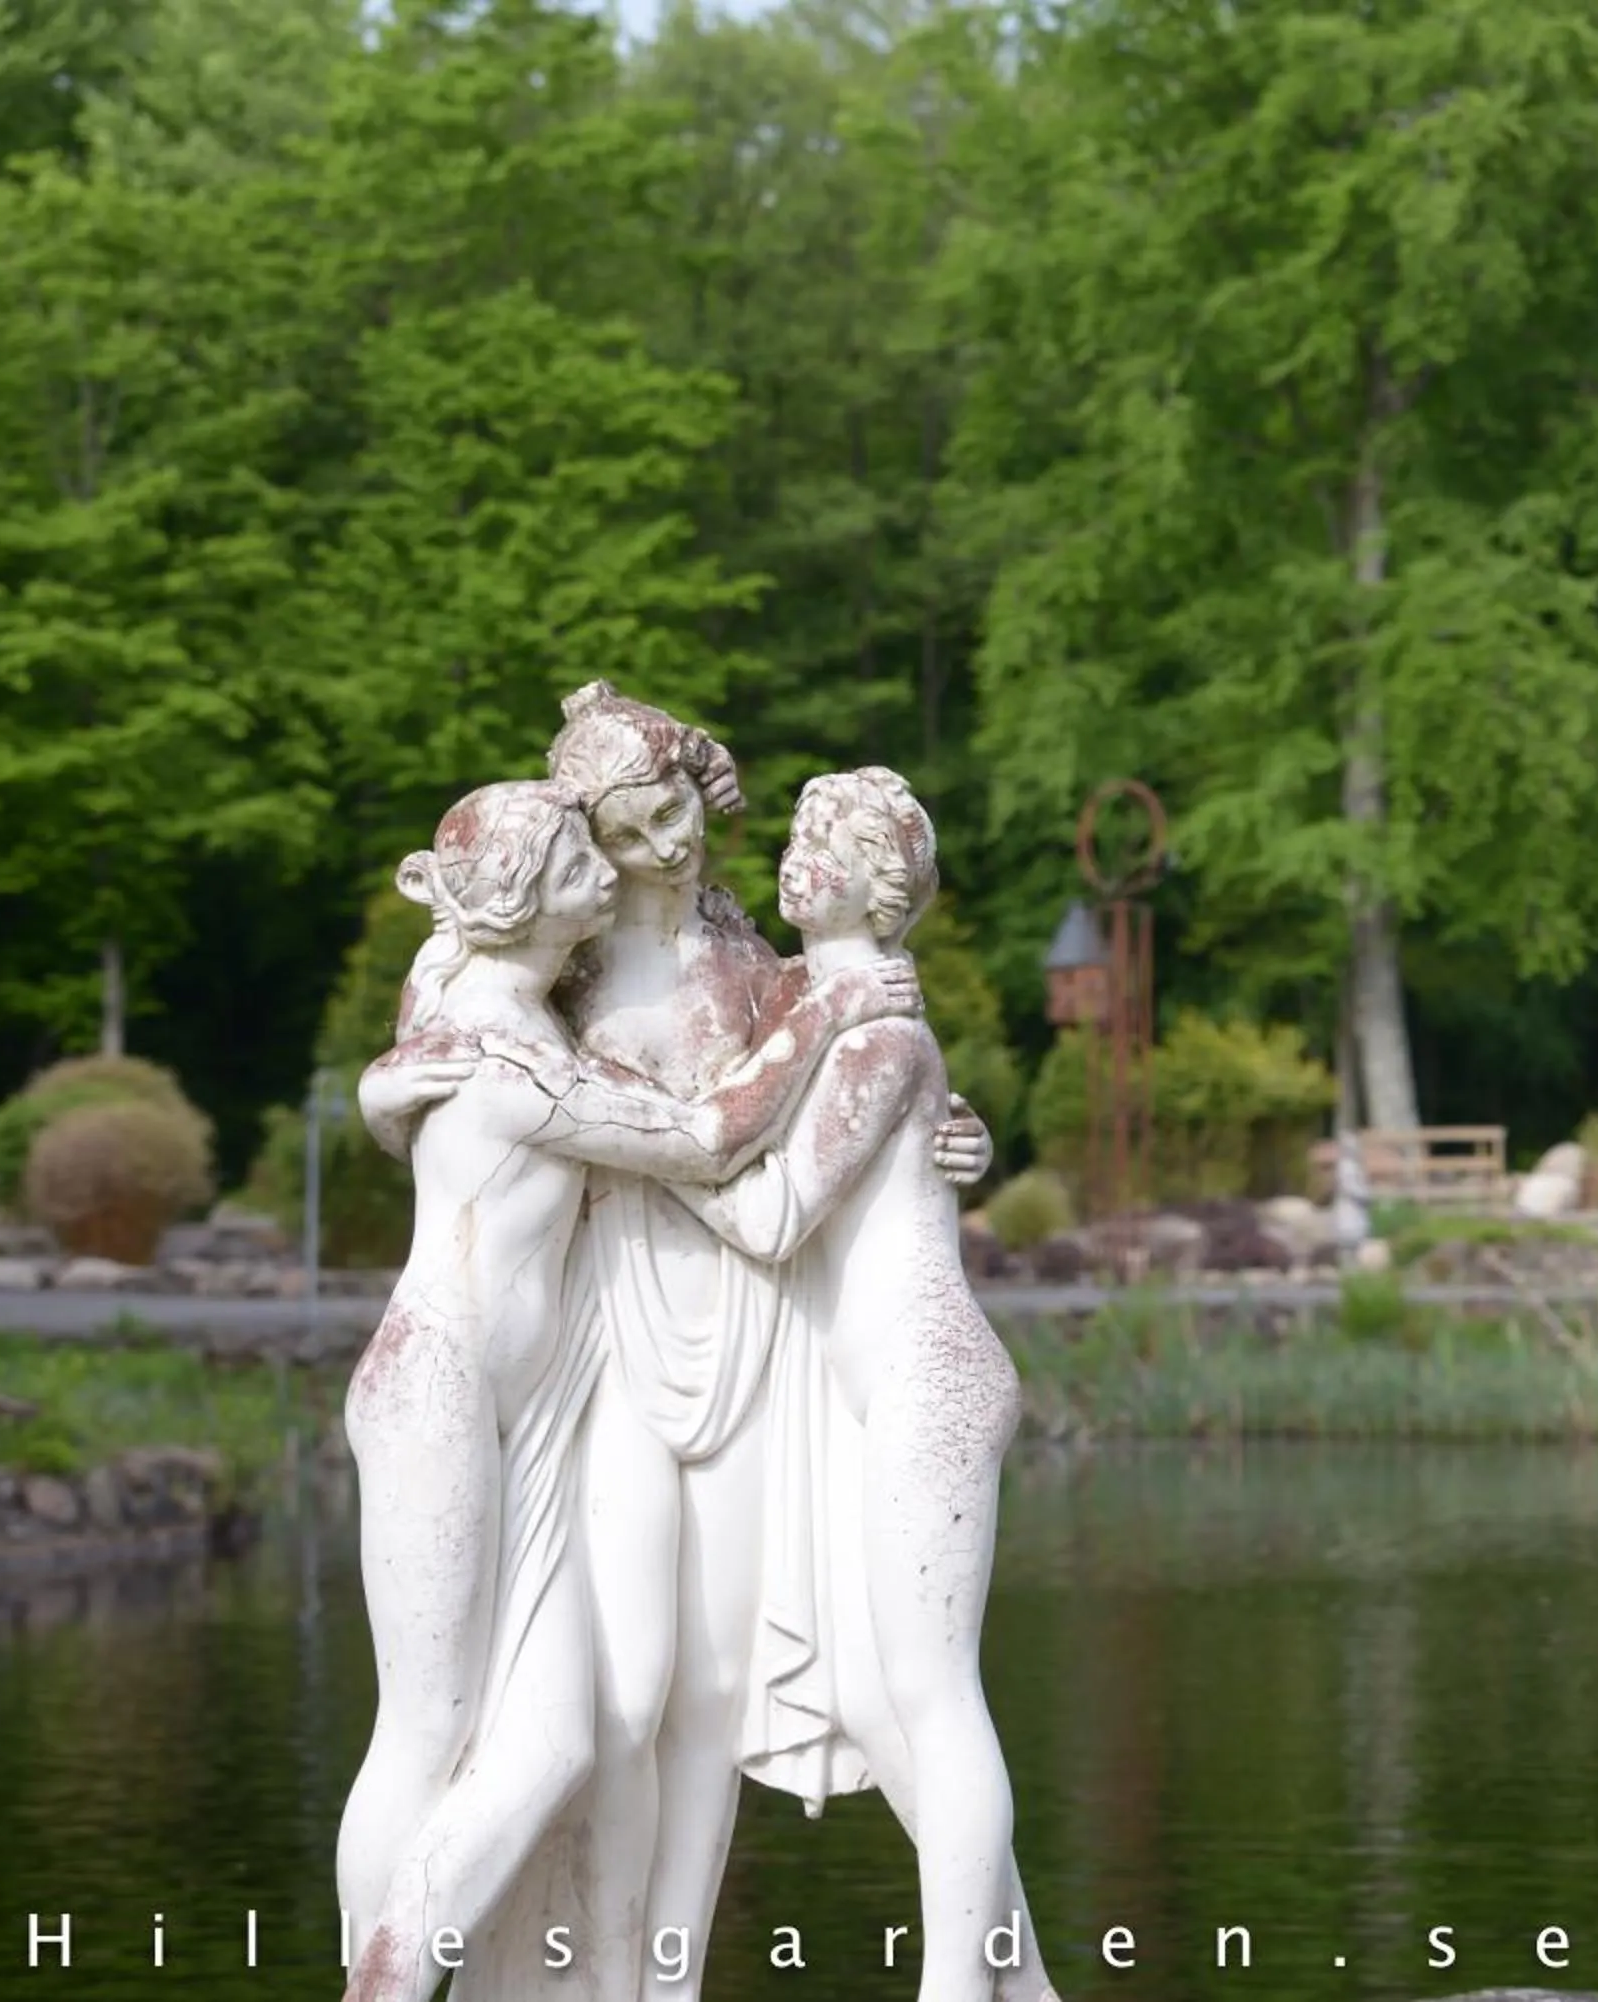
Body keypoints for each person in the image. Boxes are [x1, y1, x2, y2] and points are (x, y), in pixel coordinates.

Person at [334, 781, 908, 2002]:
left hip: (536, 1407)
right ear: (526, 902)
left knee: (550, 1739)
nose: (610, 867)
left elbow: (393, 1085)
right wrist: (840, 1011)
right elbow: (704, 1137)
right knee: (428, 1729)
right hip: (440, 1388)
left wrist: (922, 1110)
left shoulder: (483, 1003)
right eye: (577, 861)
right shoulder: (509, 1054)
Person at [674, 769, 1058, 2002]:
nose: (794, 859)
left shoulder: (880, 1034)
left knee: (935, 1702)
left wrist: (616, 1137)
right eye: (792, 835)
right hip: (885, 1390)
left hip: (927, 1383)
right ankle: (1025, 1984)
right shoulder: (838, 1009)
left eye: (821, 844)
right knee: (877, 1700)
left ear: (877, 881)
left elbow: (776, 1212)